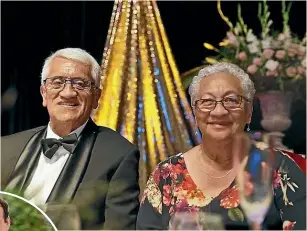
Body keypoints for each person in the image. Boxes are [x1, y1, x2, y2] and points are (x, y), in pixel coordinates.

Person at [136, 62, 306, 230]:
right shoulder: (167, 174)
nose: (219, 111)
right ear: (195, 112)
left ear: (248, 112)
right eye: (207, 101)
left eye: (231, 100)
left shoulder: (276, 167)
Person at [1, 48, 140, 230]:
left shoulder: (118, 154)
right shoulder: (6, 147)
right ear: (43, 93)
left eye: (80, 84)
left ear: (96, 97)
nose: (68, 93)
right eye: (57, 82)